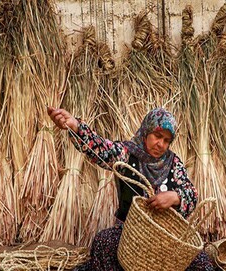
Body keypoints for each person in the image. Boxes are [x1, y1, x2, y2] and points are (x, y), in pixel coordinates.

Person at [47, 106, 215, 271]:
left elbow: (192, 194)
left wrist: (175, 197)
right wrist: (75, 126)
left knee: (201, 262)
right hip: (130, 236)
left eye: (166, 140)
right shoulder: (126, 153)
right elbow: (100, 149)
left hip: (166, 240)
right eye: (157, 136)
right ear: (146, 131)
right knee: (103, 241)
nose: (161, 144)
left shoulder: (174, 163)